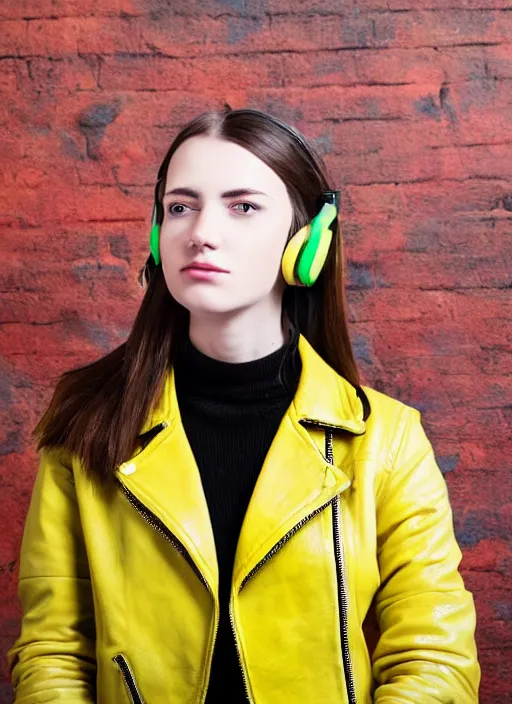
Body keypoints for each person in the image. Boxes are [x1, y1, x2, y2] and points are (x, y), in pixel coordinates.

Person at [8, 108, 480, 703]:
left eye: (243, 206)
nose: (202, 231)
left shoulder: (386, 440)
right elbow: (54, 653)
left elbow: (435, 661)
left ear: (306, 243)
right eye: (180, 207)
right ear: (157, 236)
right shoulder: (87, 422)